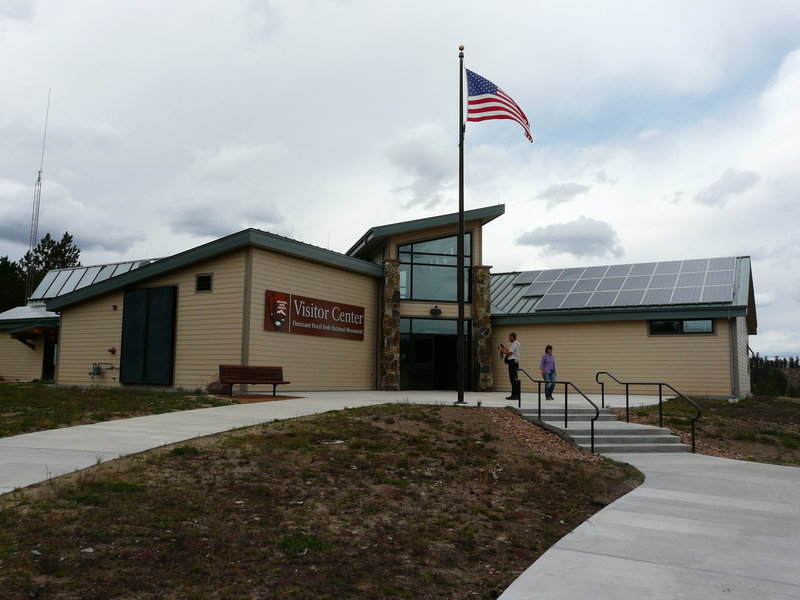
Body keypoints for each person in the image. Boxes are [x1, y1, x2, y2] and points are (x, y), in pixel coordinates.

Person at [499, 332, 521, 400]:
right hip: (515, 363)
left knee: (513, 379)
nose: (509, 339)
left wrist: (502, 350)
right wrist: (504, 348)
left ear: (512, 337)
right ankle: (516, 394)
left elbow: (509, 354)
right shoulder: (517, 344)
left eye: (509, 337)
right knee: (515, 379)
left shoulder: (514, 344)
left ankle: (514, 395)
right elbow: (510, 352)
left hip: (512, 363)